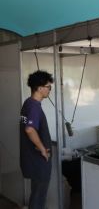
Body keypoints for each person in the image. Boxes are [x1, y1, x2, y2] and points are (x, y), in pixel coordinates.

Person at [20, 70, 53, 209]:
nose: (49, 90)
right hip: (38, 159)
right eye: (48, 87)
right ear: (40, 88)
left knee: (36, 193)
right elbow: (30, 129)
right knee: (39, 196)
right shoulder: (34, 106)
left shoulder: (28, 103)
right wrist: (42, 150)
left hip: (31, 158)